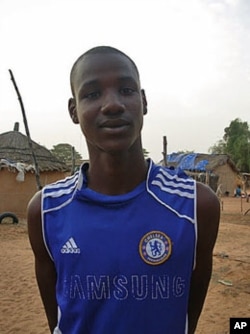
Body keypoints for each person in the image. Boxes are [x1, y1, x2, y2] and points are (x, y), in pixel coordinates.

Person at [27, 46, 220, 334]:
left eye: (126, 90)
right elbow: (56, 318)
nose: (112, 105)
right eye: (92, 94)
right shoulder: (44, 210)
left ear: (143, 101)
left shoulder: (196, 206)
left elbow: (189, 314)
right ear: (73, 111)